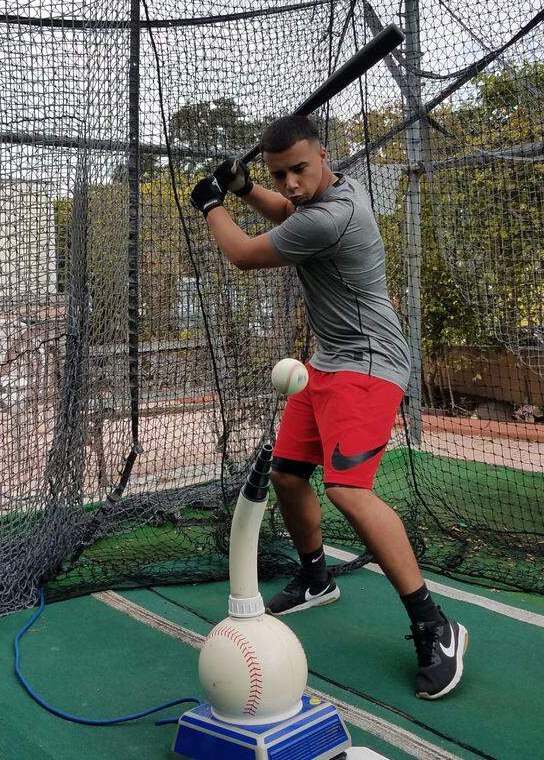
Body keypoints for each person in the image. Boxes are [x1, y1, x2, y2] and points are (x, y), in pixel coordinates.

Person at [189, 115, 468, 700]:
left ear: (323, 155)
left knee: (348, 490)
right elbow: (290, 215)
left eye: (299, 169)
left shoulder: (335, 215)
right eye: (278, 174)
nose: (289, 183)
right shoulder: (331, 193)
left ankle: (434, 625)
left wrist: (212, 204)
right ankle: (316, 577)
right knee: (287, 477)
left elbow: (241, 253)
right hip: (326, 362)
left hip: (368, 367)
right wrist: (244, 191)